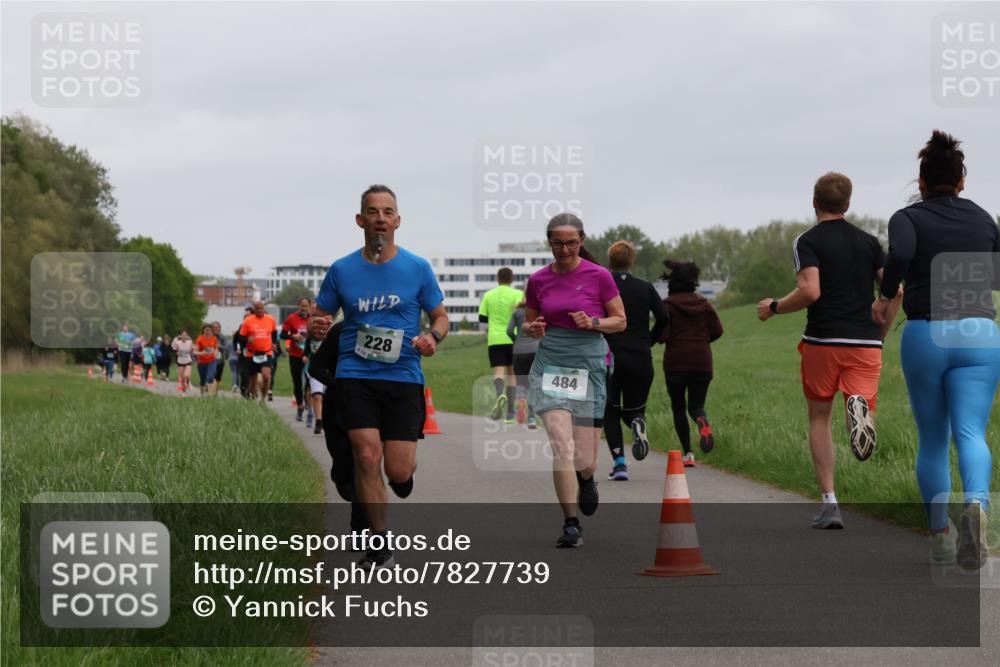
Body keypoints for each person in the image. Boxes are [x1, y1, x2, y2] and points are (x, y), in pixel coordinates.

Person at [872, 130, 1000, 569]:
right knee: (971, 433)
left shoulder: (906, 218)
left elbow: (902, 252)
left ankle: (941, 538)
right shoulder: (984, 219)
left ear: (921, 182)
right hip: (981, 333)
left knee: (932, 439)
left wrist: (886, 290)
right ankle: (977, 509)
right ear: (961, 181)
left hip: (927, 331)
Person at [310, 184, 448, 569]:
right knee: (366, 456)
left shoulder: (417, 267)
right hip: (355, 374)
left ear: (398, 220)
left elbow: (440, 315)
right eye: (373, 212)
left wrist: (433, 336)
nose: (381, 219)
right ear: (361, 220)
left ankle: (401, 483)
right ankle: (379, 541)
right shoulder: (342, 269)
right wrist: (317, 327)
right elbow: (318, 317)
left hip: (403, 376)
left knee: (398, 470)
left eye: (388, 212)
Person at [758, 172, 898, 530]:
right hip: (865, 342)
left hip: (823, 340)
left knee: (819, 418)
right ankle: (859, 406)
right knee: (862, 397)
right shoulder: (869, 242)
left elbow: (810, 291)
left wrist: (774, 306)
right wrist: (880, 329)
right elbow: (895, 291)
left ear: (814, 202)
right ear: (848, 205)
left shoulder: (807, 240)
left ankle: (830, 503)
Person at [523, 213, 626, 548]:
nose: (564, 249)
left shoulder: (599, 276)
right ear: (549, 242)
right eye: (557, 243)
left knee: (584, 458)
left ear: (581, 241)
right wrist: (533, 328)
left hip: (589, 365)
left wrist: (594, 322)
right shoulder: (538, 280)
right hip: (552, 363)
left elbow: (620, 321)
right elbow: (528, 322)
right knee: (560, 443)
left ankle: (587, 478)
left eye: (570, 242)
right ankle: (570, 523)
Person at [602, 241, 671, 481]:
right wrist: (649, 341)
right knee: (633, 410)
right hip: (640, 357)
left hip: (609, 357)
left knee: (610, 411)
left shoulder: (604, 286)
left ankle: (620, 463)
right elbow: (663, 316)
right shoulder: (645, 287)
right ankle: (637, 422)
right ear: (632, 261)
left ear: (610, 261)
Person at [658, 259, 723, 468]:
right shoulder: (704, 304)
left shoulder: (667, 305)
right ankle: (702, 422)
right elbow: (718, 330)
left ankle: (688, 454)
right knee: (696, 407)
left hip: (676, 362)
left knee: (679, 408)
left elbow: (662, 335)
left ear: (672, 282)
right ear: (693, 281)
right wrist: (701, 342)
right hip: (701, 361)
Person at [479, 268, 524, 422]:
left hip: (495, 339)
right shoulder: (517, 294)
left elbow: (482, 318)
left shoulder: (488, 295)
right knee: (512, 375)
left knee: (498, 373)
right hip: (514, 338)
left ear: (497, 278)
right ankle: (510, 413)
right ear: (511, 279)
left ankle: (499, 396)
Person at [506, 300, 540, 429]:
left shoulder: (517, 313)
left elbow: (509, 331)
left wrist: (517, 341)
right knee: (533, 384)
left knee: (521, 383)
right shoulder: (539, 312)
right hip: (535, 350)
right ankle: (531, 418)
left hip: (519, 351)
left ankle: (521, 404)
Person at [239, 301, 279, 403]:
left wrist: (274, 343)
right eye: (258, 308)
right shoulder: (248, 321)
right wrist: (247, 339)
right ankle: (252, 400)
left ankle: (263, 399)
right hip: (251, 354)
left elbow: (274, 332)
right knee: (253, 381)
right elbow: (241, 338)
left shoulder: (271, 319)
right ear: (254, 309)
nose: (260, 310)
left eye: (262, 308)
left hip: (266, 353)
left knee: (266, 376)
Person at [282, 297, 312, 420]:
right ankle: (299, 406)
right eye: (302, 306)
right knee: (297, 383)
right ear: (298, 306)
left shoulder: (313, 318)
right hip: (295, 355)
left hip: (309, 356)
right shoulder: (291, 318)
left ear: (309, 307)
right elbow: (282, 335)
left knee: (309, 383)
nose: (303, 308)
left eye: (306, 306)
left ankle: (306, 400)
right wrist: (293, 336)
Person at [302, 327, 326, 436]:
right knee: (317, 396)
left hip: (329, 370)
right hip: (315, 369)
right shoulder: (310, 339)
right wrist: (305, 357)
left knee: (327, 397)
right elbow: (306, 352)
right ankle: (318, 422)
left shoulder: (331, 337)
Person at [194, 324, 219, 396]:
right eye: (206, 330)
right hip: (201, 362)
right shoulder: (199, 339)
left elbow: (216, 348)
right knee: (202, 380)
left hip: (212, 361)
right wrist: (203, 352)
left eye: (209, 330)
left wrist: (215, 353)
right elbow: (194, 352)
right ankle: (202, 395)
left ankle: (210, 393)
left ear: (211, 331)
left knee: (210, 377)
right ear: (203, 331)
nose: (208, 332)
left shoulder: (214, 339)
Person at [211, 322, 228, 396]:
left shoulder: (223, 337)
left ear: (220, 328)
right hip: (210, 359)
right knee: (212, 375)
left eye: (217, 327)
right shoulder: (209, 336)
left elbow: (226, 348)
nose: (216, 329)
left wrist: (219, 346)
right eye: (214, 327)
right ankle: (211, 390)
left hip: (220, 359)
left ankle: (215, 392)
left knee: (218, 377)